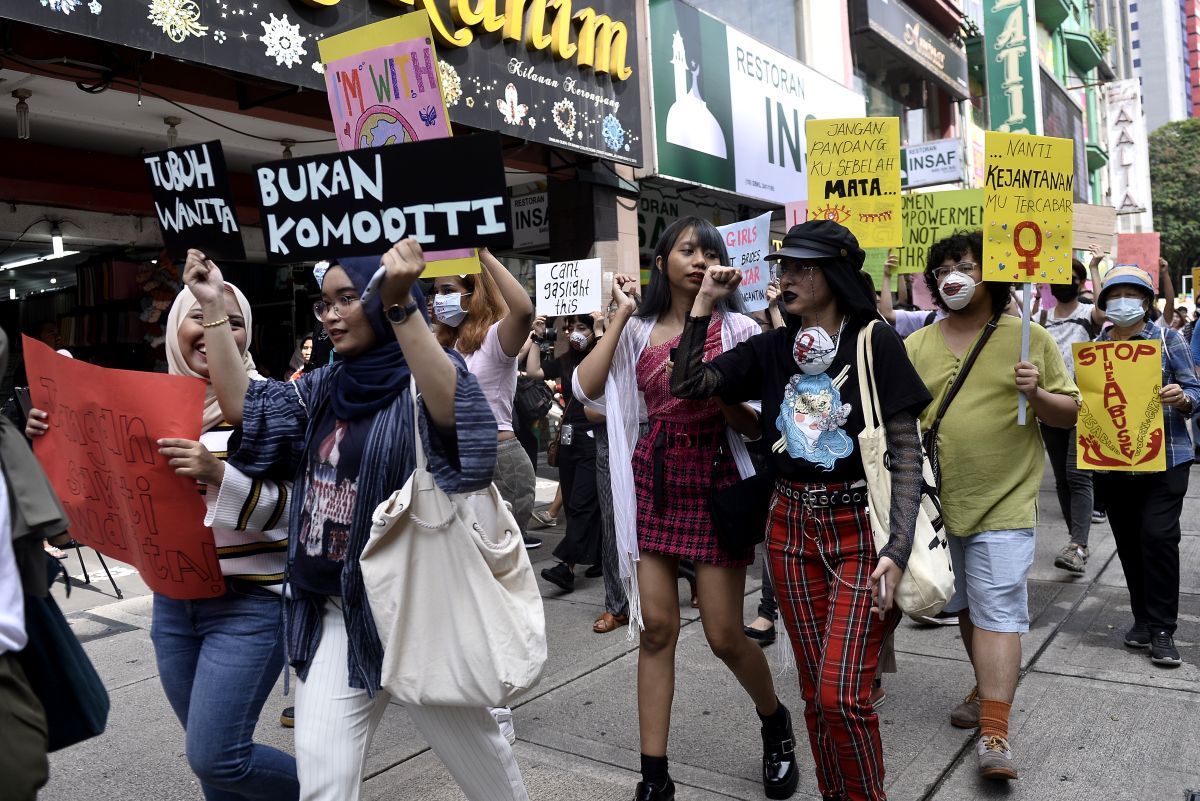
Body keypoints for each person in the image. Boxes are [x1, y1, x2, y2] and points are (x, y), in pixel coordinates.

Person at [183, 242, 529, 801]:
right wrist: (213, 307)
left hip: (419, 612)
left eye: (348, 299)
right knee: (322, 785)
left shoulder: (429, 376)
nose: (333, 314)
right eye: (325, 303)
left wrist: (401, 308)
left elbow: (461, 425)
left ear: (381, 299)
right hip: (336, 615)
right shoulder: (325, 384)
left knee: (489, 780)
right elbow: (248, 408)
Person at [671, 220, 930, 801]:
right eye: (782, 266)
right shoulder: (771, 347)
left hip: (858, 531)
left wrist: (897, 547)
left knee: (843, 694)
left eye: (800, 268)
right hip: (788, 530)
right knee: (816, 693)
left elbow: (907, 450)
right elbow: (688, 382)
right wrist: (703, 304)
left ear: (834, 275)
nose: (785, 277)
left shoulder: (874, 340)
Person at [28, 284, 300, 801]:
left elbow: (298, 513)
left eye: (231, 320)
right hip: (174, 608)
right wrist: (51, 439)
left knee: (218, 756)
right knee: (212, 764)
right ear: (176, 327)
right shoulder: (140, 409)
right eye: (199, 316)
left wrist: (218, 473)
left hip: (252, 608)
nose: (214, 329)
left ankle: (329, 791)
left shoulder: (275, 405)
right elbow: (93, 494)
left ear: (245, 336)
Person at [574, 216, 797, 801]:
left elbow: (756, 423)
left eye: (709, 252)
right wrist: (620, 310)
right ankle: (653, 778)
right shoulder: (637, 327)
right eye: (686, 250)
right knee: (657, 632)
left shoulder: (741, 327)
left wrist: (719, 390)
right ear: (662, 262)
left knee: (725, 635)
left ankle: (775, 721)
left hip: (718, 482)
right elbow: (584, 389)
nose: (699, 260)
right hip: (655, 478)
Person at [905, 231, 1079, 781]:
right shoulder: (916, 346)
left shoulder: (1030, 340)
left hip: (1004, 499)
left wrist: (1036, 393)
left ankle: (995, 734)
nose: (954, 274)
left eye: (968, 264)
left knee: (999, 608)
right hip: (936, 508)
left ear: (994, 272)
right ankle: (985, 685)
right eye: (945, 266)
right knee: (965, 608)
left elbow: (1067, 417)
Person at [1090, 266, 1199, 667]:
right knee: (1130, 543)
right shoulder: (1094, 349)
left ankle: (1163, 629)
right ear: (1104, 304)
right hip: (1114, 462)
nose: (1122, 301)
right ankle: (1142, 619)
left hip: (1167, 458)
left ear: (1146, 301)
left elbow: (1195, 391)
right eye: (1114, 294)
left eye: (1131, 294)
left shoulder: (1169, 340)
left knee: (1158, 538)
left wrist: (1182, 398)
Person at [432, 250, 539, 555]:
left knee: (498, 569)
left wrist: (484, 255)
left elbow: (522, 311)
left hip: (499, 464)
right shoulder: (444, 346)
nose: (440, 299)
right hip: (456, 461)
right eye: (437, 291)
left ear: (473, 294)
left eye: (448, 291)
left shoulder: (495, 340)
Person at [1037, 247, 1106, 575]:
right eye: (1058, 278)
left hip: (1084, 405)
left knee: (1078, 474)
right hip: (1051, 406)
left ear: (1080, 284)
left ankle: (1078, 544)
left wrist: (1094, 266)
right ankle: (1076, 540)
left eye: (1071, 278)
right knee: (1063, 479)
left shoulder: (1088, 315)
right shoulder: (1043, 318)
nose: (1065, 283)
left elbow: (1104, 310)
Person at [526, 314, 605, 592]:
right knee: (573, 502)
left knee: (583, 501)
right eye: (570, 328)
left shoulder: (603, 353)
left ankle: (566, 565)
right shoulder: (566, 358)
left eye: (582, 328)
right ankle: (599, 556)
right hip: (569, 440)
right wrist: (536, 337)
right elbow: (534, 371)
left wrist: (600, 332)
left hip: (594, 439)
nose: (574, 333)